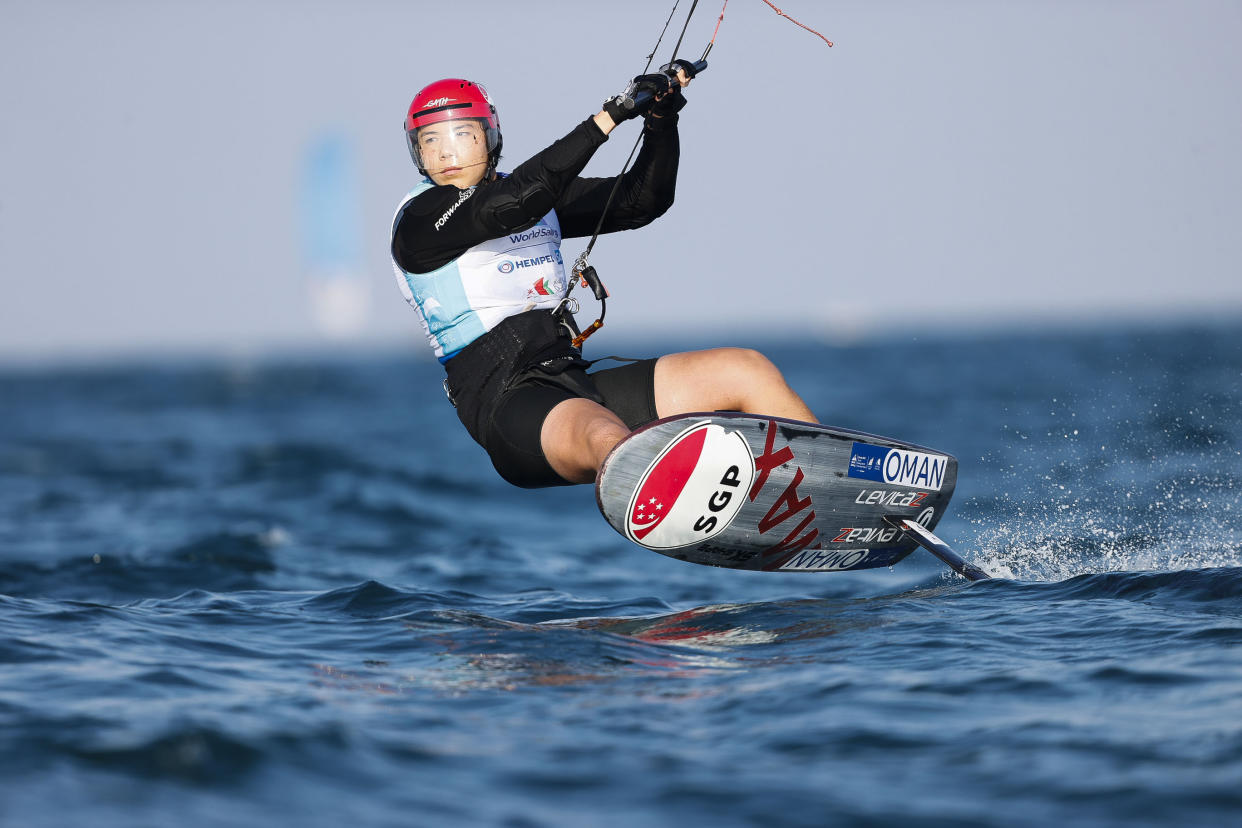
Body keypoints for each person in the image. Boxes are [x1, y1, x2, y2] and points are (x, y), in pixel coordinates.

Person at [390, 69, 817, 488]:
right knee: (605, 435)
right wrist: (611, 114)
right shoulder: (421, 221)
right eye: (431, 140)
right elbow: (516, 201)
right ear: (417, 152)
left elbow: (641, 200)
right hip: (509, 406)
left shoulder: (531, 198)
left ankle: (829, 490)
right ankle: (684, 502)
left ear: (490, 137)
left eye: (461, 134)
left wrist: (661, 120)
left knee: (745, 371)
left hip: (574, 379)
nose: (447, 153)